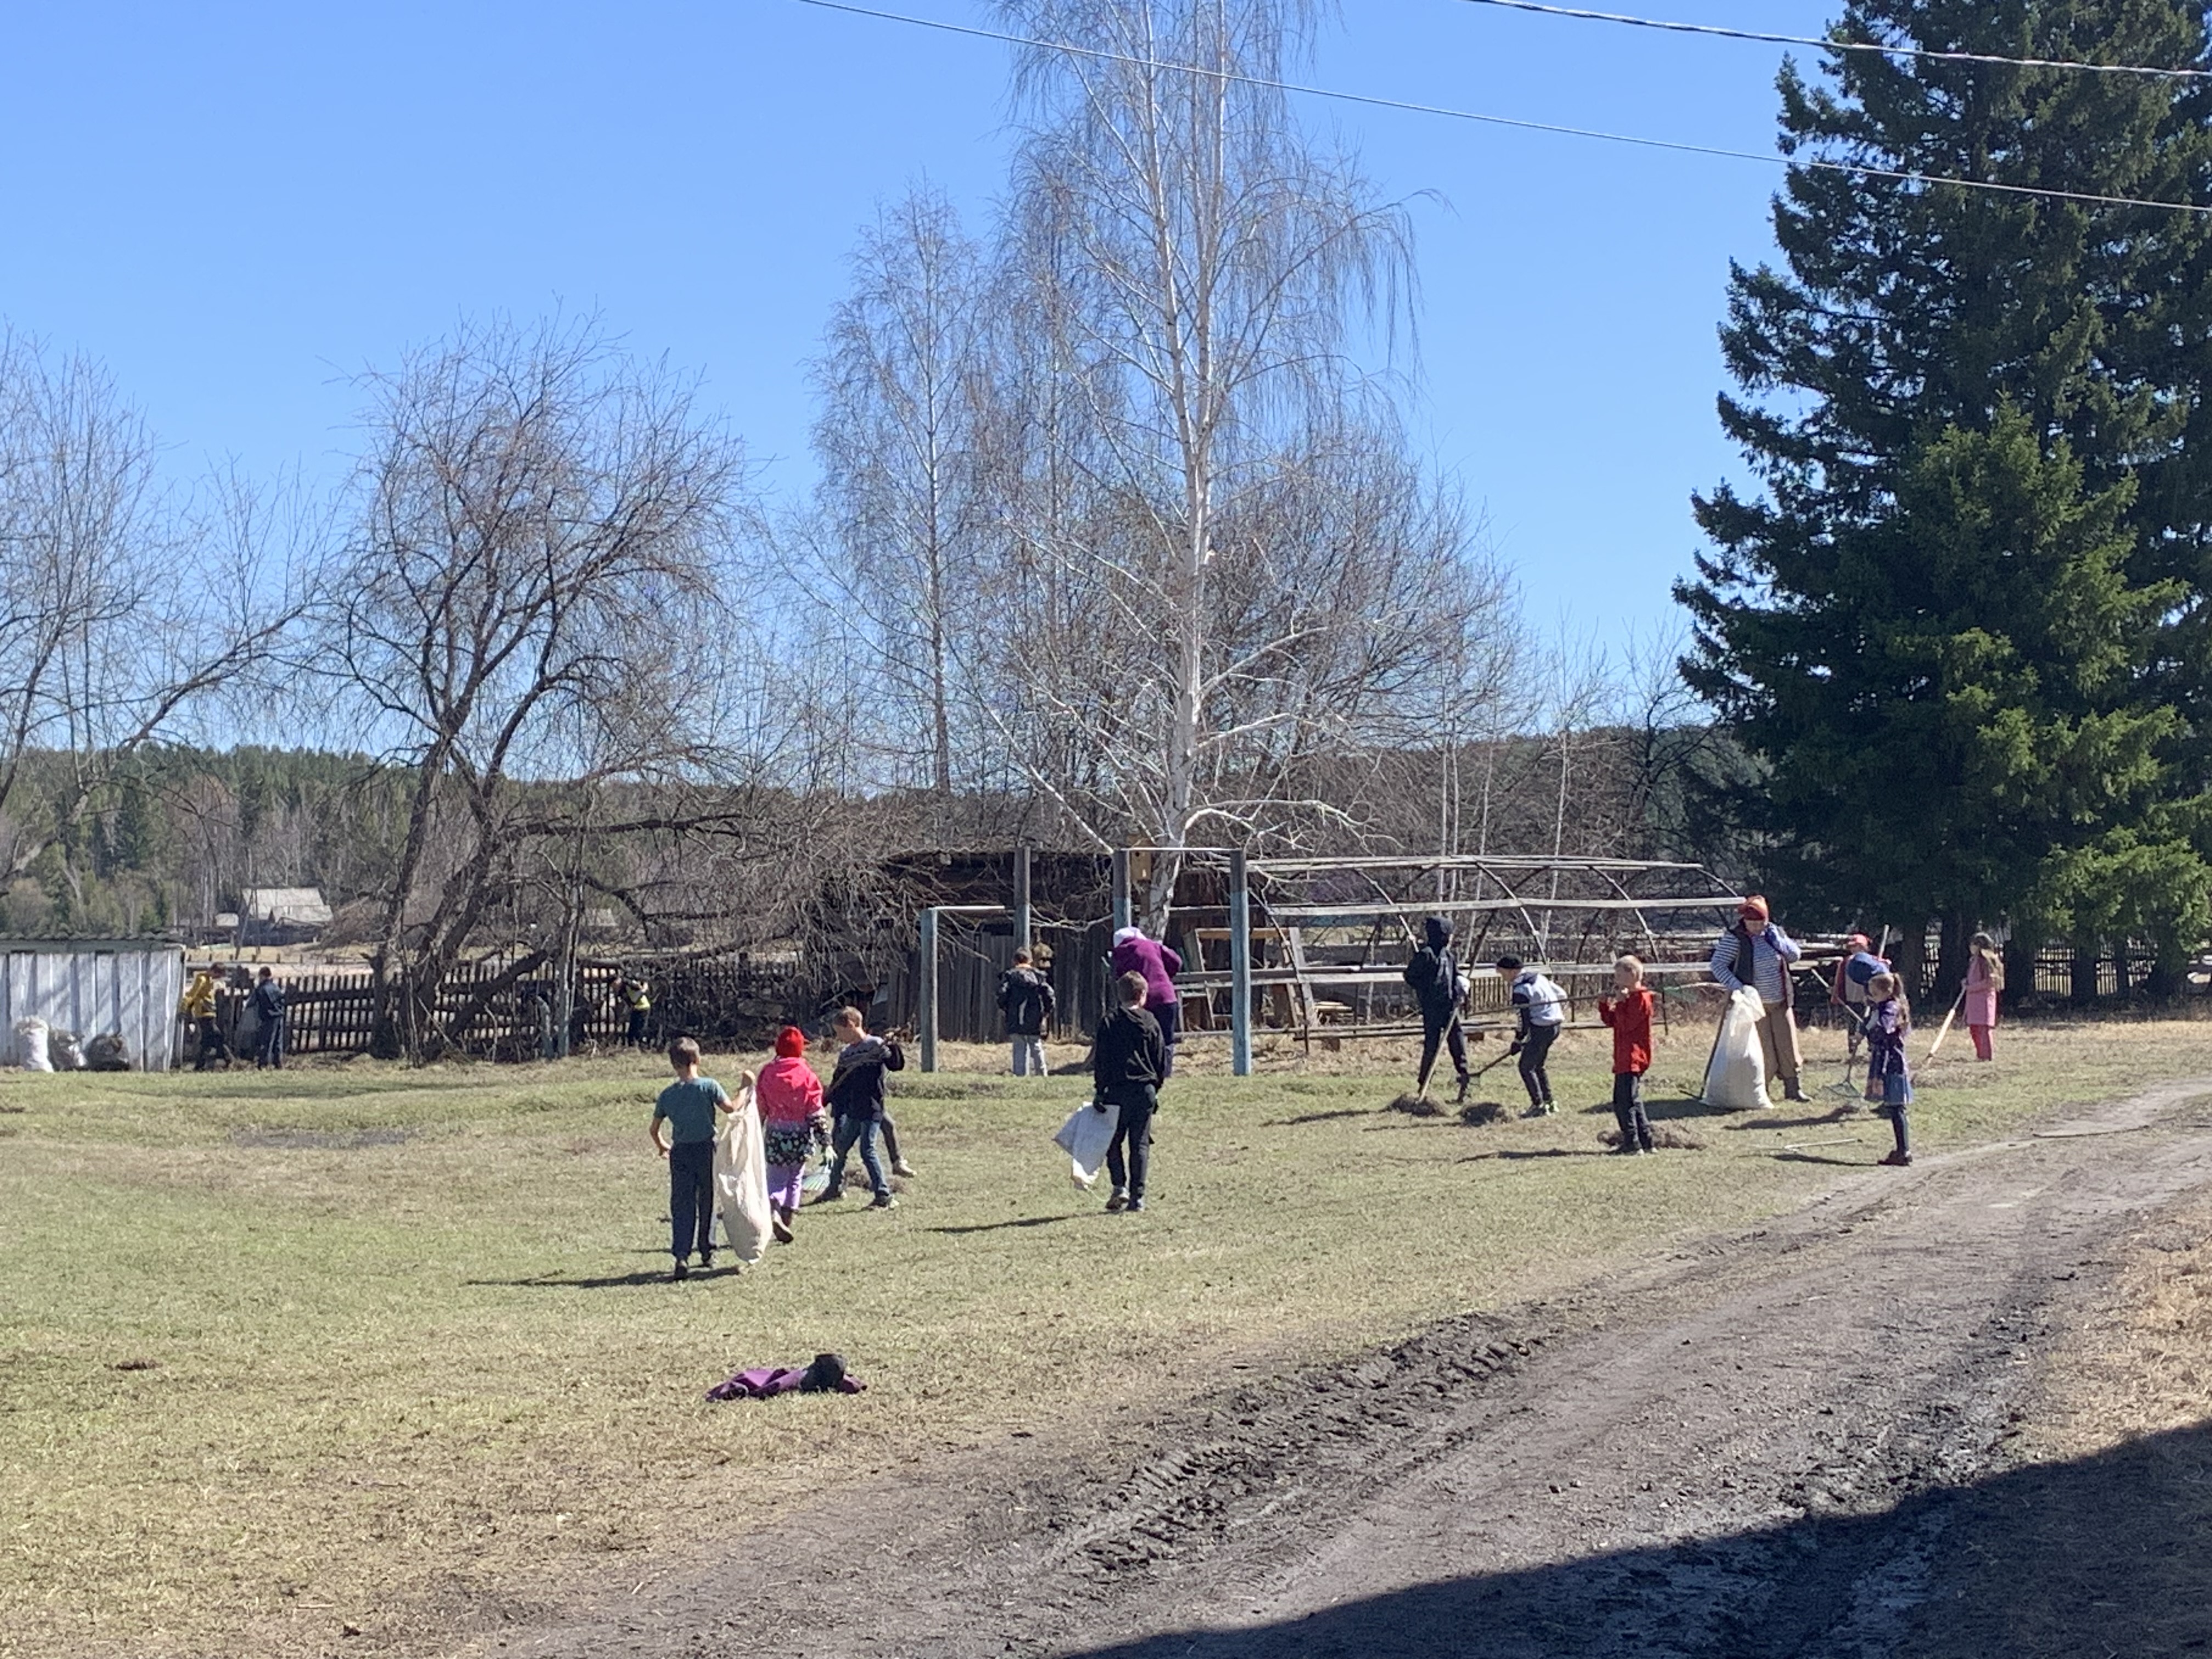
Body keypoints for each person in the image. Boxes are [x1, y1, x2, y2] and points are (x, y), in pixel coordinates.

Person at [650, 1036, 740, 1279]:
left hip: (680, 1152)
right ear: (698, 1059)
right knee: (707, 1201)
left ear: (673, 1064)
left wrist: (662, 1145)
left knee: (682, 1204)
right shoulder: (709, 1086)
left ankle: (681, 1255)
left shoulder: (668, 1095)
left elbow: (654, 1128)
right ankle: (707, 1250)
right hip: (706, 1149)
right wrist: (744, 1089)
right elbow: (731, 1108)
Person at [1710, 896, 1807, 1104]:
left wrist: (1779, 942)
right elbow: (1718, 966)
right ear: (1744, 921)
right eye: (1752, 923)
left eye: (1760, 923)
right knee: (1763, 1049)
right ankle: (1762, 1090)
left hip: (1781, 1001)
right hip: (1753, 1006)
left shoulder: (1774, 933)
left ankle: (1793, 1088)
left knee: (1788, 1045)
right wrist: (1739, 988)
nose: (1756, 927)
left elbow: (1795, 956)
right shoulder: (1735, 938)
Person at [1092, 969, 1166, 1214]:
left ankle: (1119, 1186)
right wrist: (1156, 1088)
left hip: (1116, 1090)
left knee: (1113, 1141)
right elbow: (1160, 1060)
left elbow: (1101, 1060)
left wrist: (1100, 1090)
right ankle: (1138, 1197)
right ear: (1141, 994)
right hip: (1144, 1089)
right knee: (1140, 1144)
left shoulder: (1109, 1022)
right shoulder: (1151, 1022)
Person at [821, 1007, 905, 1210]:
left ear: (851, 1025)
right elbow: (839, 1083)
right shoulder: (847, 1053)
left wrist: (892, 1046)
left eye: (840, 1032)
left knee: (867, 1151)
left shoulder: (875, 1045)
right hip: (853, 1110)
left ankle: (884, 1197)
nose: (838, 1037)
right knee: (839, 1149)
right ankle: (835, 1188)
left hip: (872, 1107)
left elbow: (895, 1064)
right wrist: (826, 1101)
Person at [756, 1025, 828, 1243]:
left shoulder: (768, 1073)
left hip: (776, 1133)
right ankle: (788, 1217)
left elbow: (760, 1105)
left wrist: (757, 1128)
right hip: (800, 1135)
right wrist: (824, 1137)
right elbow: (815, 1108)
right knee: (795, 1178)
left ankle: (773, 1209)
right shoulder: (807, 1075)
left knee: (776, 1177)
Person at [1403, 915, 1471, 1103]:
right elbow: (1410, 976)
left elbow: (1455, 973)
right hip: (1433, 1008)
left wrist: (1461, 982)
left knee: (1458, 1044)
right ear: (1442, 935)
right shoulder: (1426, 954)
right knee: (1432, 1047)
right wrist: (1427, 990)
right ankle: (1423, 1086)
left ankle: (1465, 1080)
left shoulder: (1447, 955)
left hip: (1450, 1007)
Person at [1598, 955, 1656, 1155]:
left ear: (1632, 975)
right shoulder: (1629, 999)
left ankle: (1632, 1142)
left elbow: (1627, 1025)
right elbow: (1613, 1021)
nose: (1616, 980)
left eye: (1619, 975)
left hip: (1633, 1057)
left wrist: (1621, 1003)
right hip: (1623, 1056)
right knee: (1633, 1100)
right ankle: (1646, 1140)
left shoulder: (1640, 998)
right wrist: (1606, 1005)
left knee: (1623, 1102)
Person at [1110, 926, 1183, 1079]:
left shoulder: (1120, 954)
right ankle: (1165, 1074)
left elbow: (1122, 979)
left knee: (1142, 1040)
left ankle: (1144, 1074)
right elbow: (1176, 961)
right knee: (1166, 1039)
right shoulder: (1153, 946)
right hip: (1166, 996)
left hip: (1141, 1000)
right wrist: (1164, 975)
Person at [1499, 955, 1567, 1116]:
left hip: (1541, 1029)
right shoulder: (1539, 978)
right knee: (1538, 1066)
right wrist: (1556, 1012)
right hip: (1555, 1026)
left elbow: (1524, 1020)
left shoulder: (1520, 990)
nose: (1502, 977)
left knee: (1526, 1067)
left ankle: (1538, 1106)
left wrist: (1518, 1040)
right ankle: (1550, 1103)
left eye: (1503, 973)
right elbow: (1562, 994)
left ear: (1513, 971)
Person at [1859, 972, 1914, 1166]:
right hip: (1887, 1061)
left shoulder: (1891, 1009)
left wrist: (1871, 1032)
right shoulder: (1884, 1007)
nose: (1872, 997)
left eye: (1874, 993)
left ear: (1886, 992)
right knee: (1893, 1107)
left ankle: (1904, 1150)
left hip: (1893, 1063)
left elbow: (1884, 1029)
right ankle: (1902, 1149)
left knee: (1897, 1107)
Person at [1829, 933, 1889, 1068]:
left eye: (1855, 946)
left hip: (1869, 998)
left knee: (1870, 1024)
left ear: (1863, 947)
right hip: (1851, 999)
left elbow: (1883, 974)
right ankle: (1853, 1051)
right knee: (1853, 1025)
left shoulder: (1873, 961)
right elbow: (1840, 980)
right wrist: (1836, 993)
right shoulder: (1846, 963)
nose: (1853, 949)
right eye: (1851, 947)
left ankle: (1873, 1048)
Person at [998, 949, 1057, 1077]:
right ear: (1030, 961)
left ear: (1014, 961)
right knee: (1036, 1044)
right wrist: (1047, 1010)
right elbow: (1049, 994)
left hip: (1014, 1015)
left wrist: (1004, 1008)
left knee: (1019, 1046)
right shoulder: (1039, 976)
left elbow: (1002, 993)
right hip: (1034, 1015)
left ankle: (1020, 1075)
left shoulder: (1010, 976)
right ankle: (1042, 1075)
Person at [179, 967, 230, 1071]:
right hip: (204, 1014)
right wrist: (183, 1008)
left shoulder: (210, 980)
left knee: (208, 1040)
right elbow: (192, 994)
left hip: (210, 1013)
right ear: (213, 971)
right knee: (217, 1036)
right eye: (218, 975)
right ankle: (227, 1059)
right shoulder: (202, 980)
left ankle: (201, 1065)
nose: (217, 978)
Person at [1965, 932, 2004, 1062]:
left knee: (1984, 1030)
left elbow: (1989, 982)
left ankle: (1986, 1056)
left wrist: (1971, 988)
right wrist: (1967, 983)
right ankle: (1980, 1054)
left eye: (1973, 944)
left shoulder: (1987, 960)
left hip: (1984, 1000)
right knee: (1974, 1028)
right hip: (1973, 1001)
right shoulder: (1974, 960)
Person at [249, 968, 286, 1070]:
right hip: (279, 1015)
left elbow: (251, 1003)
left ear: (262, 976)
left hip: (268, 1017)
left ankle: (263, 1063)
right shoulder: (276, 988)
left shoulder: (261, 989)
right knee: (278, 1041)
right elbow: (282, 1000)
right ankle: (278, 1063)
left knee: (267, 1041)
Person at [616, 974, 652, 1047]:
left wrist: (643, 990)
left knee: (640, 1030)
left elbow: (640, 989)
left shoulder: (629, 983)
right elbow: (627, 1001)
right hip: (635, 1009)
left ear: (618, 980)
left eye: (615, 983)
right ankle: (632, 1046)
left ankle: (642, 1046)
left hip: (643, 1007)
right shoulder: (621, 990)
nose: (614, 986)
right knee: (632, 1031)